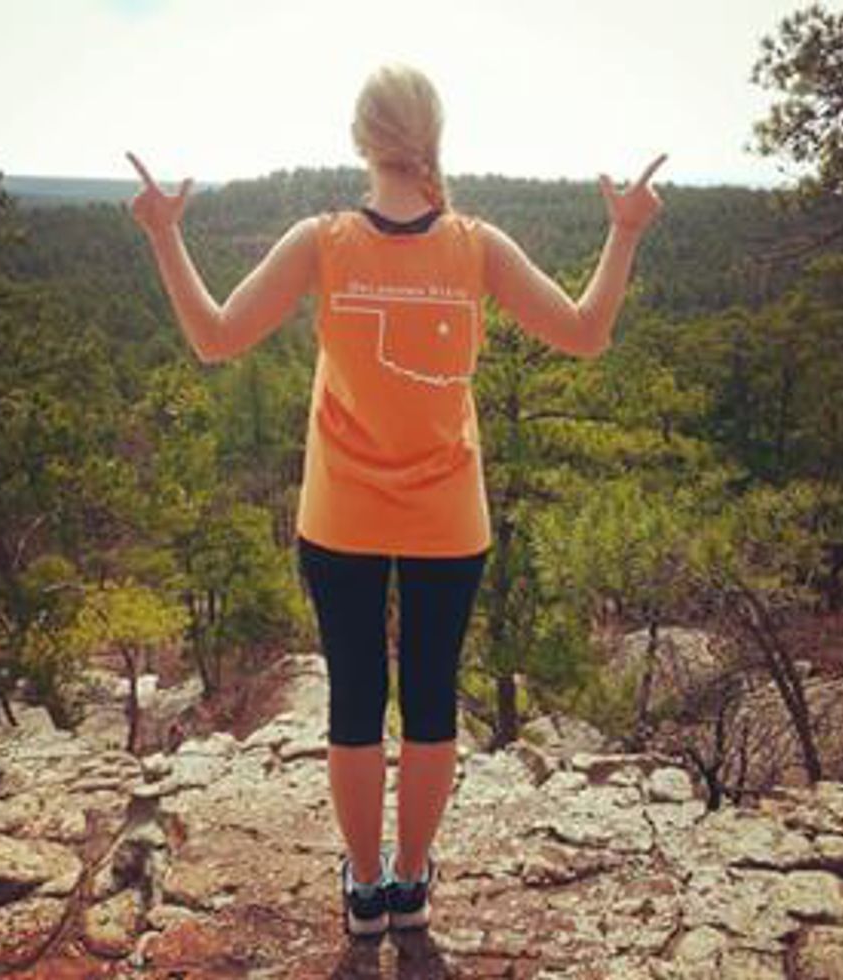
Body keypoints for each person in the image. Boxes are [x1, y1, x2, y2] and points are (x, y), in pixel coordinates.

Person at [126, 62, 666, 939]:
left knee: (353, 699)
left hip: (339, 515)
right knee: (430, 699)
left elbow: (215, 338)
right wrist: (626, 232)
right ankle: (411, 882)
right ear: (433, 138)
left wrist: (163, 236)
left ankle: (365, 889)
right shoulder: (477, 245)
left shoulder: (322, 240)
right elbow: (585, 331)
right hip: (449, 517)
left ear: (360, 140)